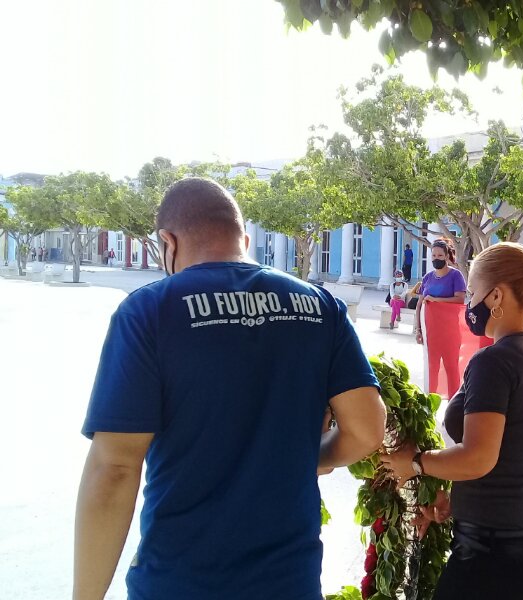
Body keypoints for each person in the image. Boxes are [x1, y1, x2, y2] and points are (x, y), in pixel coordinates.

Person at [73, 178, 386, 600]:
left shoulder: (149, 311)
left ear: (168, 240)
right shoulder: (319, 306)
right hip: (289, 583)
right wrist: (310, 458)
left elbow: (114, 469)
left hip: (180, 584)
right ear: (244, 236)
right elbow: (367, 429)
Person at [381, 242, 523, 600]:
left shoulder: (494, 361)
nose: (469, 302)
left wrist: (413, 463)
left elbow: (478, 458)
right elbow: (511, 454)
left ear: (496, 296)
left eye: (472, 292)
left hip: (495, 563)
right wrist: (456, 497)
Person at [414, 237, 468, 395]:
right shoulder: (428, 278)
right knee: (432, 369)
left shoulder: (455, 276)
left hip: (450, 332)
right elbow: (419, 305)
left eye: (439, 256)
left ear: (446, 256)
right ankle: (430, 404)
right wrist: (418, 330)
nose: (436, 259)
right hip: (431, 333)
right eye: (433, 256)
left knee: (451, 368)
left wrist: (436, 300)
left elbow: (459, 299)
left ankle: (454, 407)